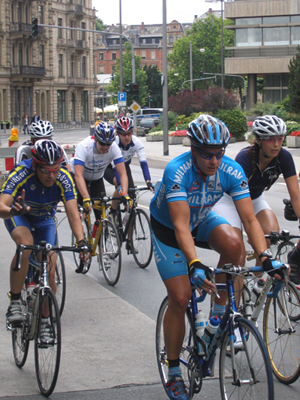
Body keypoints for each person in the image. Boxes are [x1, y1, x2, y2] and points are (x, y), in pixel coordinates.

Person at [149, 114, 283, 400]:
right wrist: (195, 263)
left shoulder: (231, 170)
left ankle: (216, 320)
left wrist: (266, 257)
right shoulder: (177, 170)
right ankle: (174, 371)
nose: (213, 161)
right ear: (193, 150)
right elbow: (181, 225)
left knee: (234, 244)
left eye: (219, 153)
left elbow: (249, 221)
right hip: (169, 229)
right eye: (207, 155)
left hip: (201, 219)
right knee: (181, 297)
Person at [0, 140, 90, 340]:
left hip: (44, 220)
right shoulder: (21, 173)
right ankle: (15, 301)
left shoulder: (63, 177)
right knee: (25, 246)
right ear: (35, 166)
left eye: (55, 170)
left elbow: (73, 213)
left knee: (49, 267)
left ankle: (44, 321)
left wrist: (82, 241)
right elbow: (1, 206)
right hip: (19, 214)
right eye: (46, 171)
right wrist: (13, 210)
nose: (51, 175)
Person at [213, 115, 300, 278]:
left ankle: (256, 285)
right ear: (259, 140)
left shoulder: (284, 158)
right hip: (230, 201)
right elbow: (245, 211)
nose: (276, 144)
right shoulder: (245, 158)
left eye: (280, 139)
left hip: (255, 198)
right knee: (238, 254)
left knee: (271, 234)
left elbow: (296, 196)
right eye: (270, 139)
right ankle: (229, 300)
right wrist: (252, 232)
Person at [104, 116, 153, 252]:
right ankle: (113, 212)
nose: (126, 137)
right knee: (119, 187)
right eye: (123, 134)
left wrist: (148, 182)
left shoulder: (136, 142)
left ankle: (130, 241)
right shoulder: (113, 143)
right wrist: (120, 186)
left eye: (129, 133)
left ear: (132, 132)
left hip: (125, 168)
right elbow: (116, 169)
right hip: (109, 168)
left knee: (131, 205)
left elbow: (143, 163)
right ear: (118, 133)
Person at [71, 121, 129, 221]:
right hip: (81, 179)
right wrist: (85, 197)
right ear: (95, 140)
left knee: (101, 216)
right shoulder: (84, 146)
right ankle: (80, 234)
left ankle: (98, 233)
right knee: (81, 211)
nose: (105, 148)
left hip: (97, 179)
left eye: (108, 144)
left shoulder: (114, 148)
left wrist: (124, 193)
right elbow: (78, 175)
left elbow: (123, 173)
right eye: (102, 144)